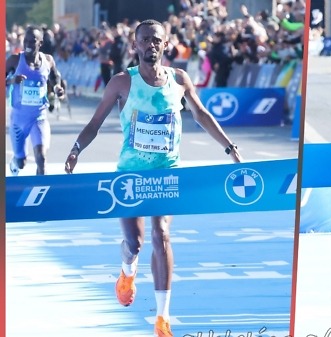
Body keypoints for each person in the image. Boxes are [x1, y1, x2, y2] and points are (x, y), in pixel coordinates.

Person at [63, 19, 243, 337]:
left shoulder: (179, 79)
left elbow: (201, 114)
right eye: (145, 40)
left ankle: (163, 318)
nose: (151, 45)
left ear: (166, 43)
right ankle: (127, 272)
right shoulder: (122, 82)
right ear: (135, 45)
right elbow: (96, 121)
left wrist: (229, 148)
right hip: (130, 174)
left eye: (157, 40)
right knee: (135, 243)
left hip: (166, 172)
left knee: (162, 236)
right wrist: (77, 149)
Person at [5, 25, 64, 176]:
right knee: (21, 162)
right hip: (19, 119)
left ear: (40, 43)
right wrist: (12, 80)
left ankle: (40, 191)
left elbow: (54, 76)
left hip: (39, 117)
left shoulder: (48, 60)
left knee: (41, 159)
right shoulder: (14, 60)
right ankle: (15, 162)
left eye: (33, 41)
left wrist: (57, 87)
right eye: (26, 40)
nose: (28, 44)